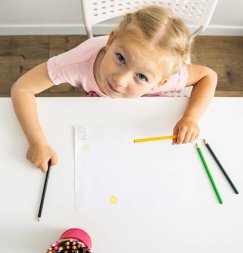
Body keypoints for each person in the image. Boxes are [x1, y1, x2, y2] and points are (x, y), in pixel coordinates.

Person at [11, 5, 218, 172]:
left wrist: (190, 118)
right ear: (110, 40)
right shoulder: (76, 64)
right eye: (120, 58)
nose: (120, 80)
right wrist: (36, 142)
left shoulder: (167, 75)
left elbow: (209, 76)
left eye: (141, 77)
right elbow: (22, 88)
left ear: (159, 84)